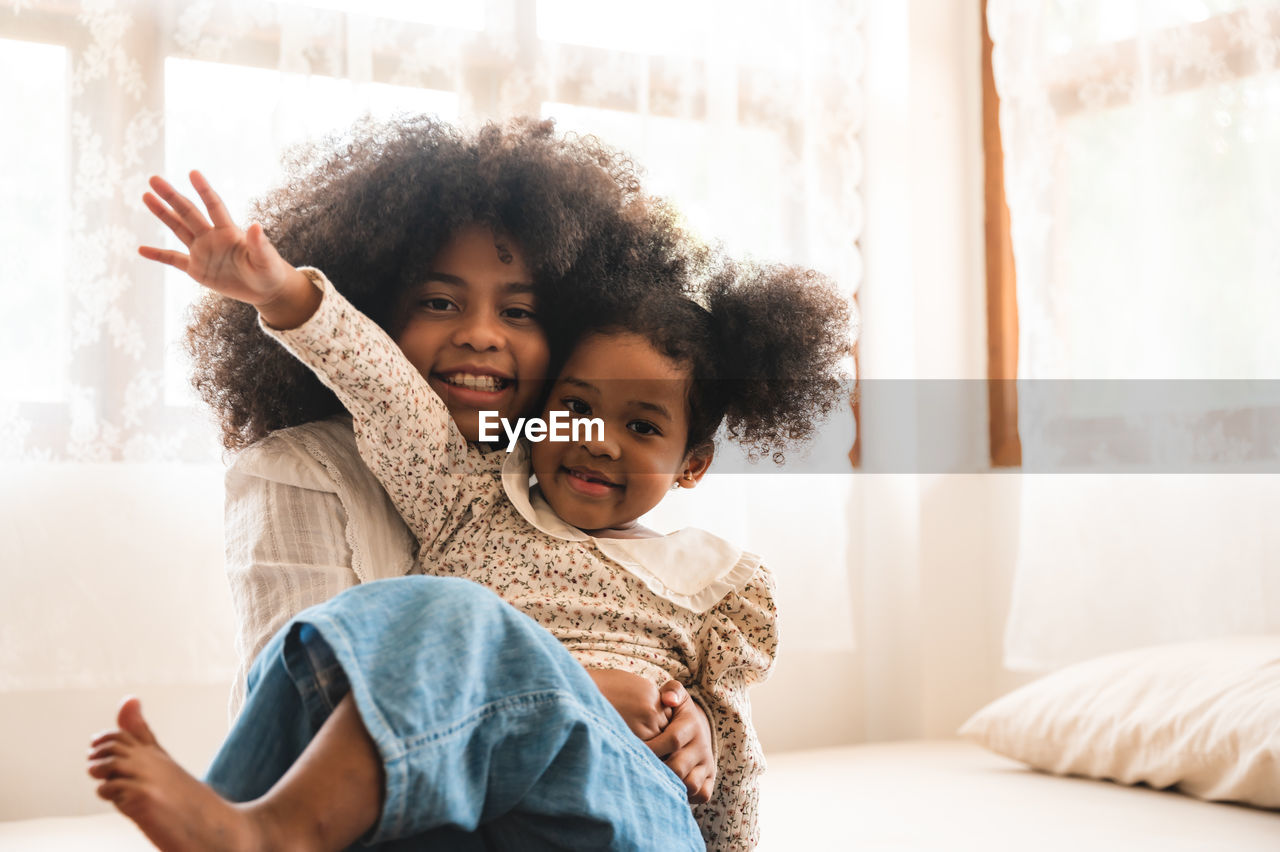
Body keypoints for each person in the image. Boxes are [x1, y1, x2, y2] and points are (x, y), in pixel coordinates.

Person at [91, 159, 849, 849]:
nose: (599, 440)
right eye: (577, 405)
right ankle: (242, 818)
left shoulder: (714, 582)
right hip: (481, 807)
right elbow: (388, 395)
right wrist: (284, 293)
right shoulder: (472, 499)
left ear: (693, 465)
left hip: (630, 808)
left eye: (642, 426)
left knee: (453, 612)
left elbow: (735, 776)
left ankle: (266, 835)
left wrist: (698, 734)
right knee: (347, 633)